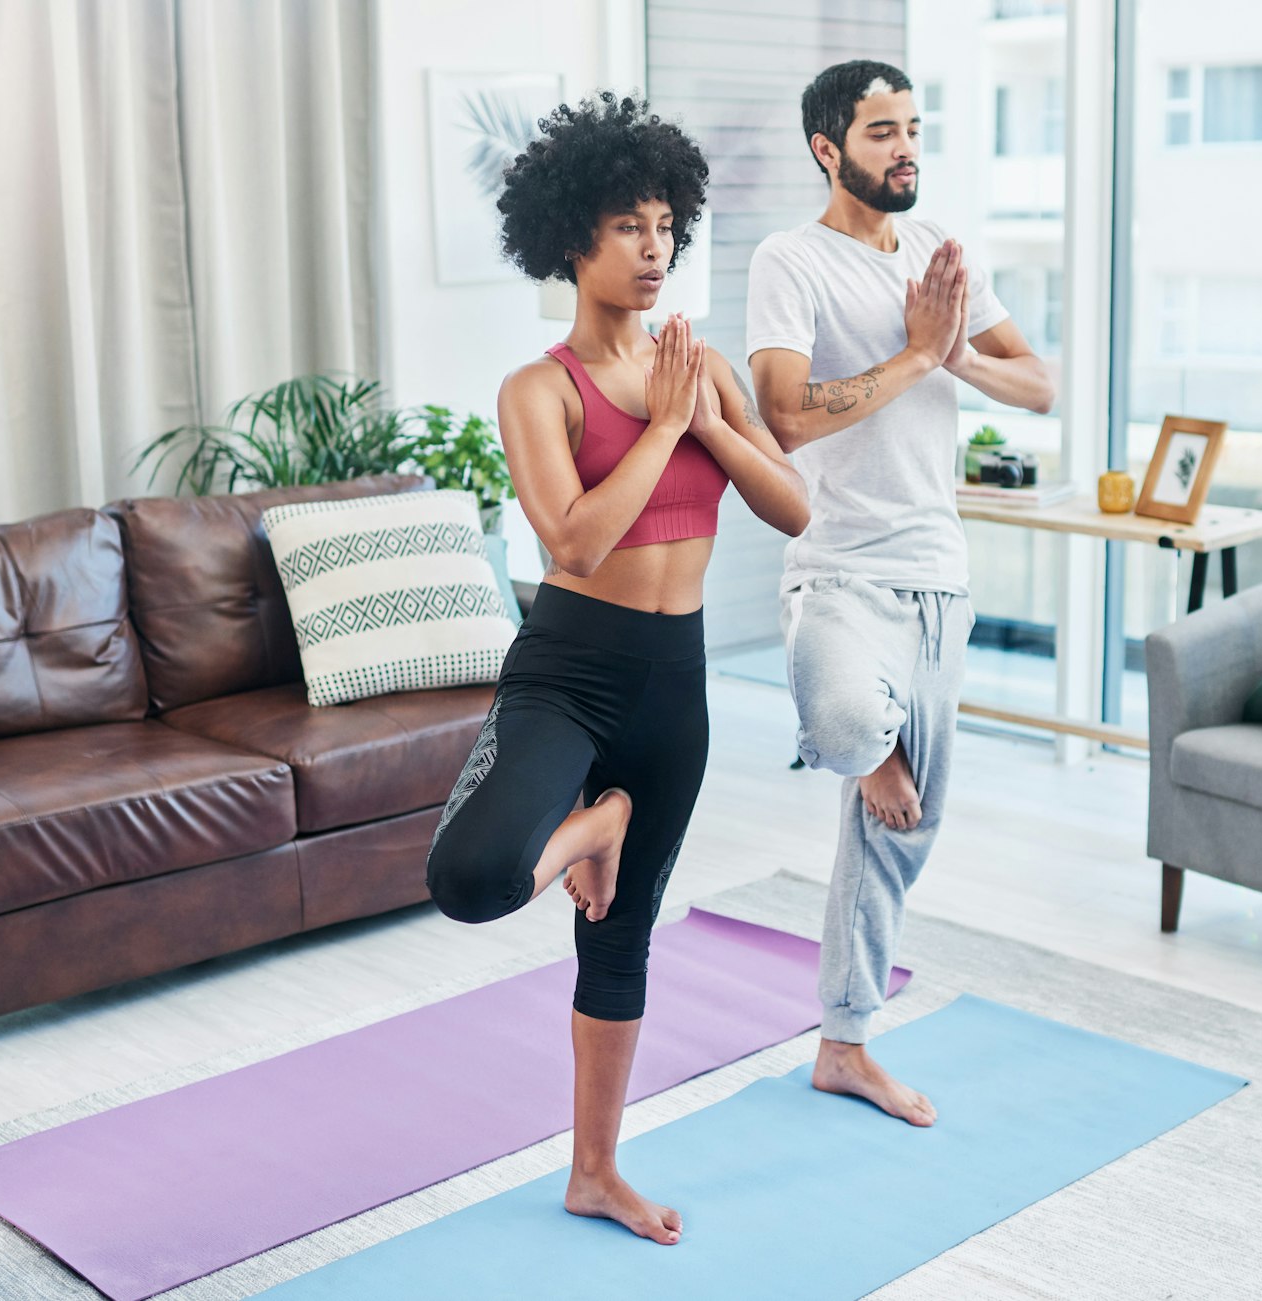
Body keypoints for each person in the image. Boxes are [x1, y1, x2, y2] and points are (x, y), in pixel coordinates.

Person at [425, 92, 809, 1246]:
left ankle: (594, 1169)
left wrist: (706, 420)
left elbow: (792, 507)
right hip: (568, 670)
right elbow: (573, 540)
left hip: (670, 684)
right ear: (569, 240)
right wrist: (654, 429)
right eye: (626, 228)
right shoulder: (537, 389)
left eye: (662, 226)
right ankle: (591, 829)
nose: (652, 250)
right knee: (474, 876)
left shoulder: (704, 369)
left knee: (621, 933)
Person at [746, 61, 1056, 1127]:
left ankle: (845, 1043)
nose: (905, 148)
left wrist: (949, 349)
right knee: (840, 723)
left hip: (938, 580)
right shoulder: (790, 259)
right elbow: (782, 415)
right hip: (837, 564)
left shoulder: (937, 256)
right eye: (881, 132)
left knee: (899, 834)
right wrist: (916, 354)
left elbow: (1040, 382)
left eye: (912, 128)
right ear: (828, 149)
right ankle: (869, 749)